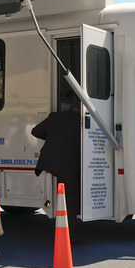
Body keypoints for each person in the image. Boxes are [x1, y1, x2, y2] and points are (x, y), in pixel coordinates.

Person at [31, 99, 82, 231]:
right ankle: (68, 232)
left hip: (50, 162)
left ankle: (64, 226)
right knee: (72, 198)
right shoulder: (80, 121)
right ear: (79, 108)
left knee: (63, 194)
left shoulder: (55, 117)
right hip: (67, 164)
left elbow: (35, 131)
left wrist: (51, 138)